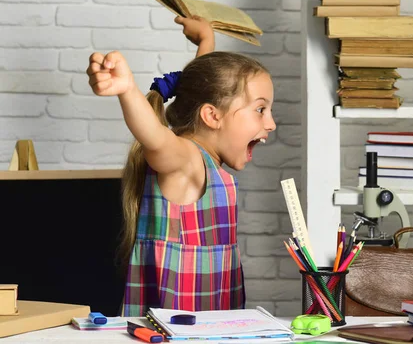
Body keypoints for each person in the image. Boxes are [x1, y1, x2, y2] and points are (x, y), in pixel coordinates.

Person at [86, 16, 276, 316]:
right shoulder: (187, 160)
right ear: (212, 117)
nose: (271, 123)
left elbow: (205, 90)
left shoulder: (204, 155)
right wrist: (128, 90)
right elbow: (155, 138)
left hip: (210, 327)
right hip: (177, 330)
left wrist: (206, 42)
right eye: (260, 109)